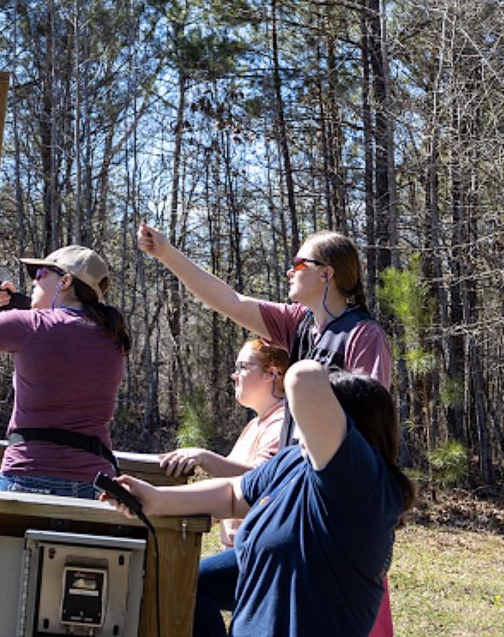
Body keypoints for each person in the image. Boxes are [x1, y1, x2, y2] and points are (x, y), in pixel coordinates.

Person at [138, 222, 397, 635]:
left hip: (330, 503)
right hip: (287, 484)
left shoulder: (364, 334)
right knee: (198, 586)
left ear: (326, 272)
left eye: (299, 262)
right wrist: (167, 254)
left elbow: (367, 416)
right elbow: (231, 300)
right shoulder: (299, 325)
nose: (290, 271)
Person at [103, 361, 418, 636]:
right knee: (190, 583)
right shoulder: (295, 461)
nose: (300, 422)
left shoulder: (361, 484)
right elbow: (234, 494)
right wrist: (157, 499)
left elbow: (304, 379)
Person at [0, 245, 131, 499]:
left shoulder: (29, 326)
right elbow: (62, 334)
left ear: (66, 281)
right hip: (98, 486)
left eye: (43, 272)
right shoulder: (113, 336)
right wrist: (10, 306)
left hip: (27, 478)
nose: (35, 279)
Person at [160, 339, 289, 637]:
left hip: (261, 554)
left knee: (192, 585)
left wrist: (204, 457)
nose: (234, 375)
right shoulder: (256, 425)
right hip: (241, 550)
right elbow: (226, 487)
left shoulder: (281, 422)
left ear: (272, 373)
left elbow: (259, 480)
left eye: (243, 367)